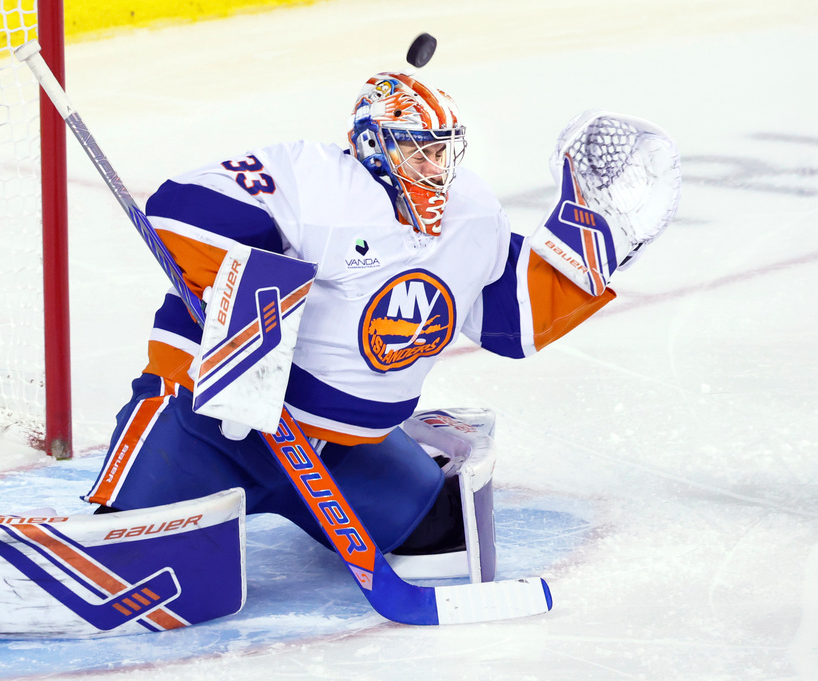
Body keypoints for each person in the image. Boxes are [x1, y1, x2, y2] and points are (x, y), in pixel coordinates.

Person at [81, 71, 616, 556]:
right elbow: (179, 211)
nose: (435, 169)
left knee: (439, 534)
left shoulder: (470, 213)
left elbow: (512, 320)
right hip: (206, 429)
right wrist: (273, 273)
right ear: (373, 146)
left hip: (338, 454)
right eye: (417, 151)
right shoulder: (314, 181)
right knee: (128, 555)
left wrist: (601, 242)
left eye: (442, 152)